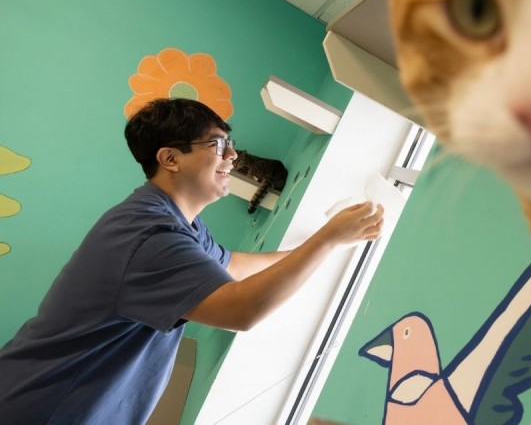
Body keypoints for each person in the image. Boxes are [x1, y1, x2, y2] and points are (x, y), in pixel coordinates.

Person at [0, 98, 384, 424]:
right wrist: (327, 238)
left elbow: (230, 265)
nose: (232, 156)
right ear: (170, 158)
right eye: (217, 145)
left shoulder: (176, 222)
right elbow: (242, 311)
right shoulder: (148, 235)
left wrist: (329, 245)